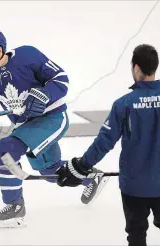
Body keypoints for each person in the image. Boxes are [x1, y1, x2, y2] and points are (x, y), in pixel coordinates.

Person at [0, 29, 107, 228]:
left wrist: (43, 95)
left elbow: (60, 78)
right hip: (26, 124)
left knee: (6, 149)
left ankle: (14, 207)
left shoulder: (27, 55)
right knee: (50, 170)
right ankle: (91, 177)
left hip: (52, 118)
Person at [56, 44, 160, 246]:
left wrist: (81, 166)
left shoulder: (124, 104)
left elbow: (105, 142)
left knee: (137, 236)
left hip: (135, 187)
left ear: (135, 67)